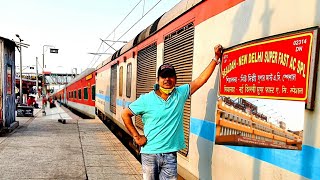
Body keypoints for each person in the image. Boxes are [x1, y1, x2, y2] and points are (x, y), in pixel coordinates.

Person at [121, 44, 223, 179]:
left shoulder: (180, 94)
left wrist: (216, 58)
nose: (167, 80)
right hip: (150, 153)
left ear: (175, 79)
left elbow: (200, 80)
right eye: (163, 77)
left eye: (170, 76)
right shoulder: (146, 99)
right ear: (157, 80)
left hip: (170, 154)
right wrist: (137, 136)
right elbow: (125, 114)